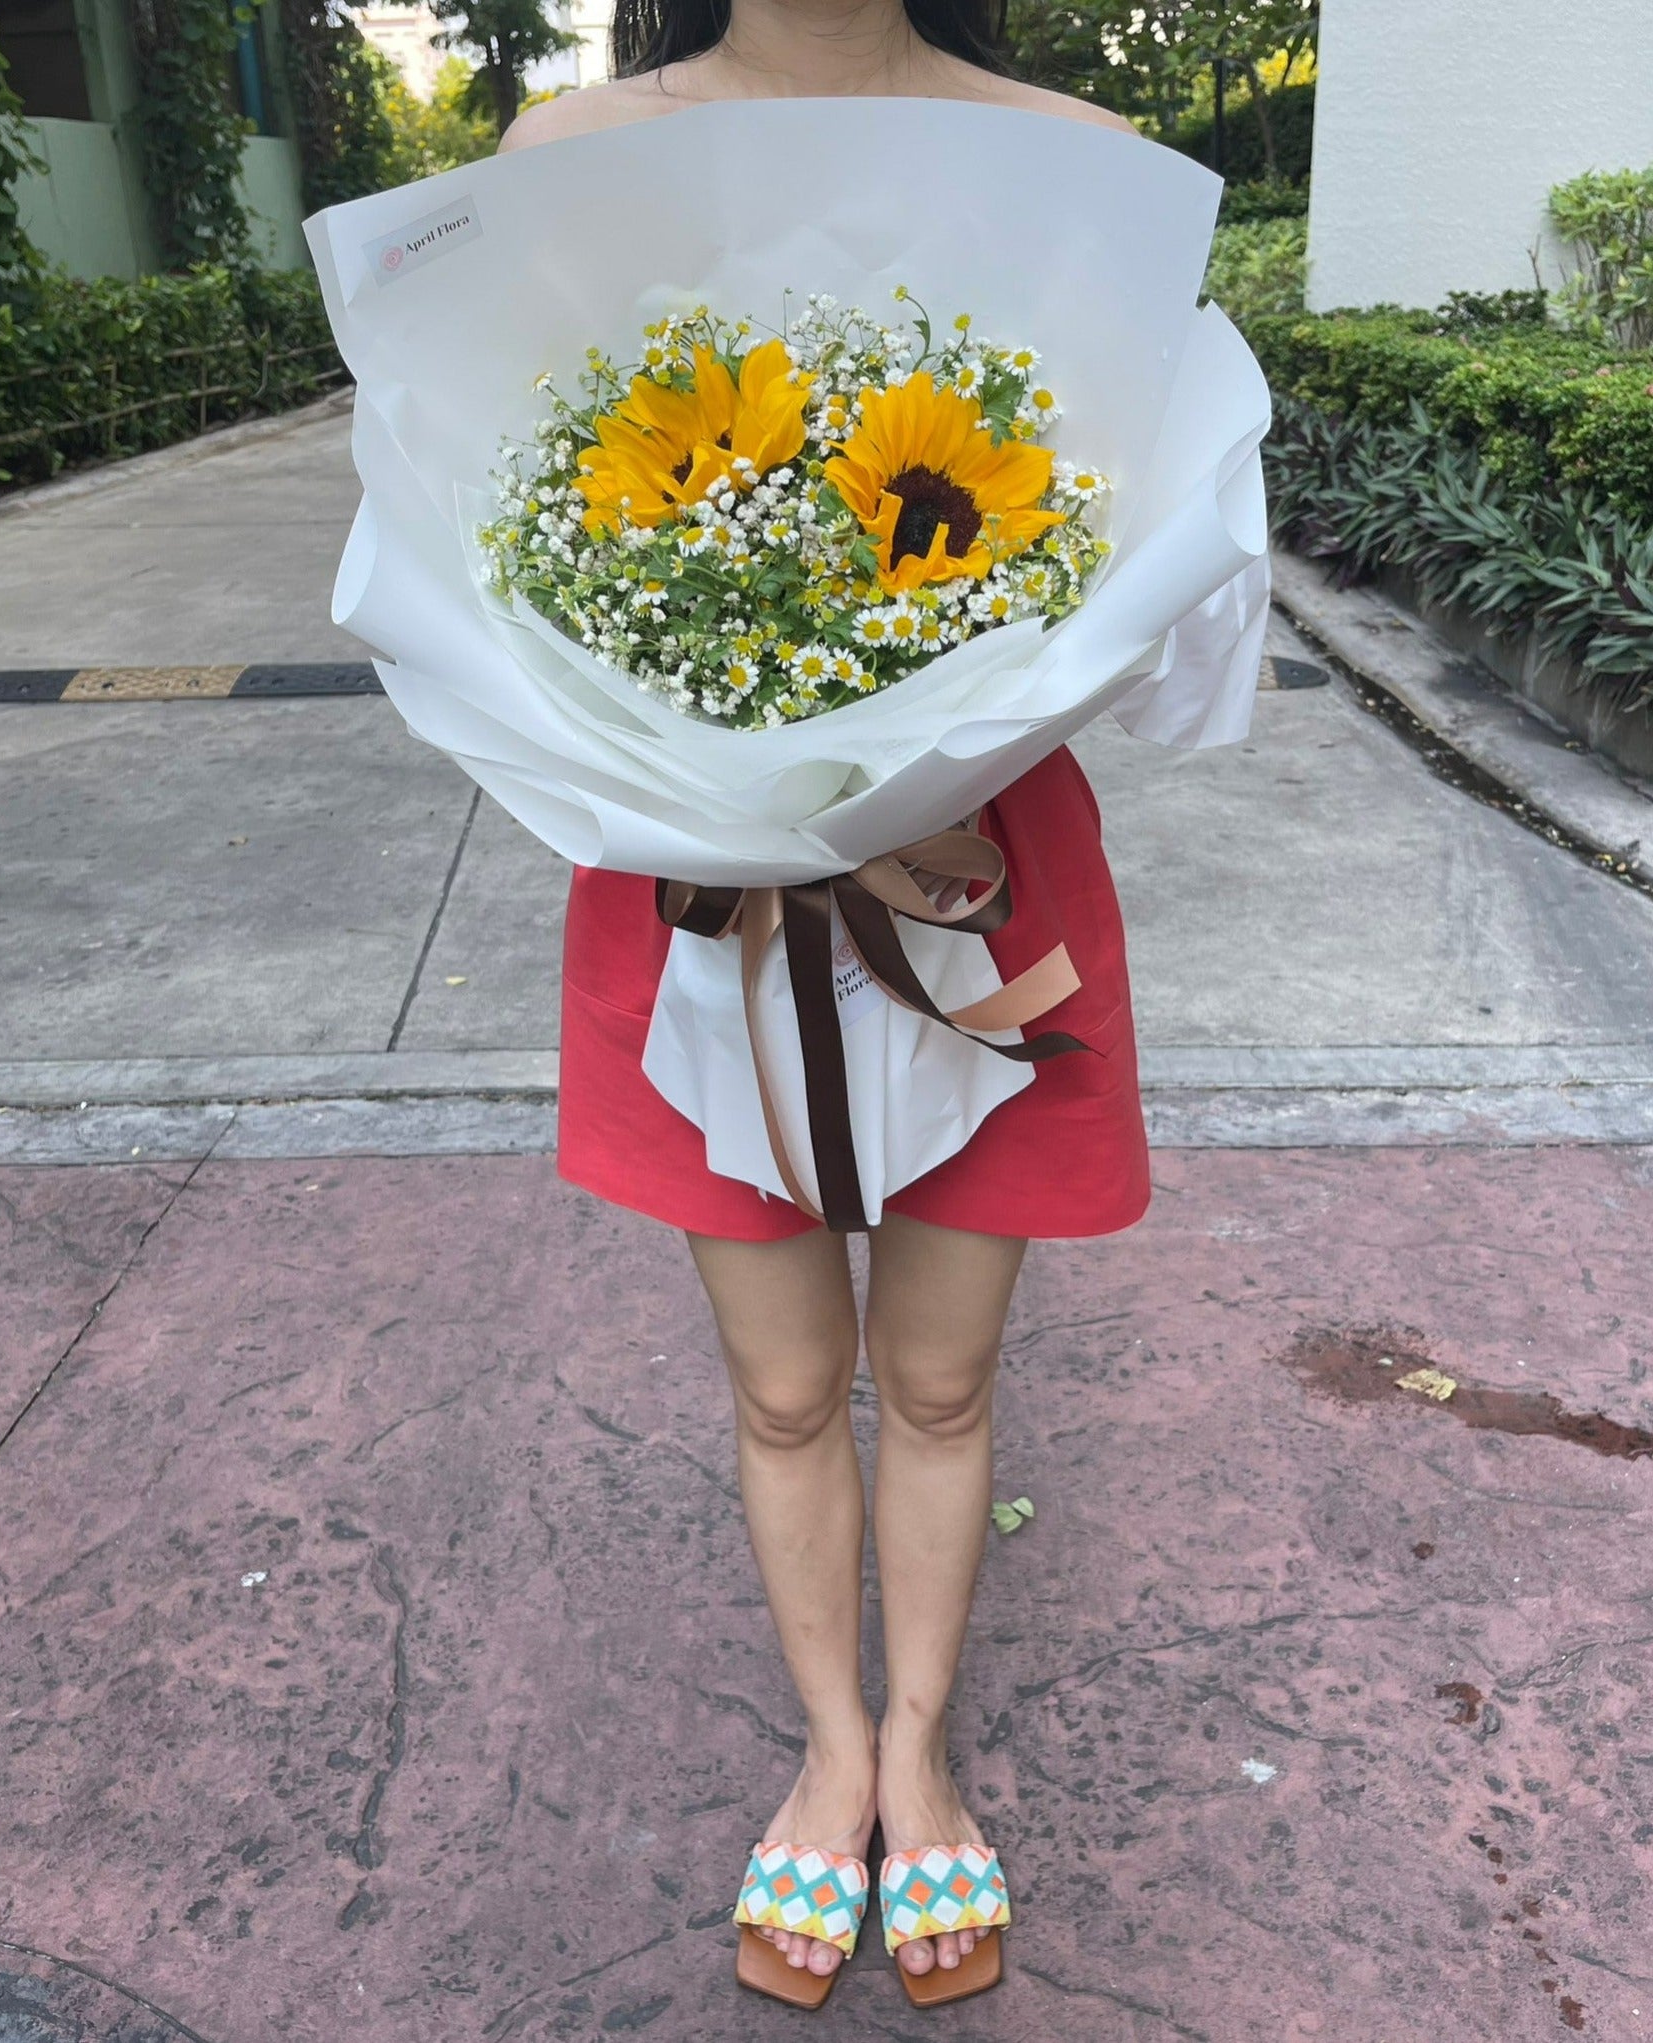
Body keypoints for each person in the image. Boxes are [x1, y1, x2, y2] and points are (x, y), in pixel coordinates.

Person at [501, 0, 1148, 2007]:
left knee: (940, 1383)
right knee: (786, 1386)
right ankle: (826, 1744)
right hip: (701, 900)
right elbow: (522, 546)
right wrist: (755, 773)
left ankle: (920, 1748)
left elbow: (1123, 535)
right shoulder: (566, 152)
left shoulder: (1065, 153)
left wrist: (896, 767)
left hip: (974, 895)